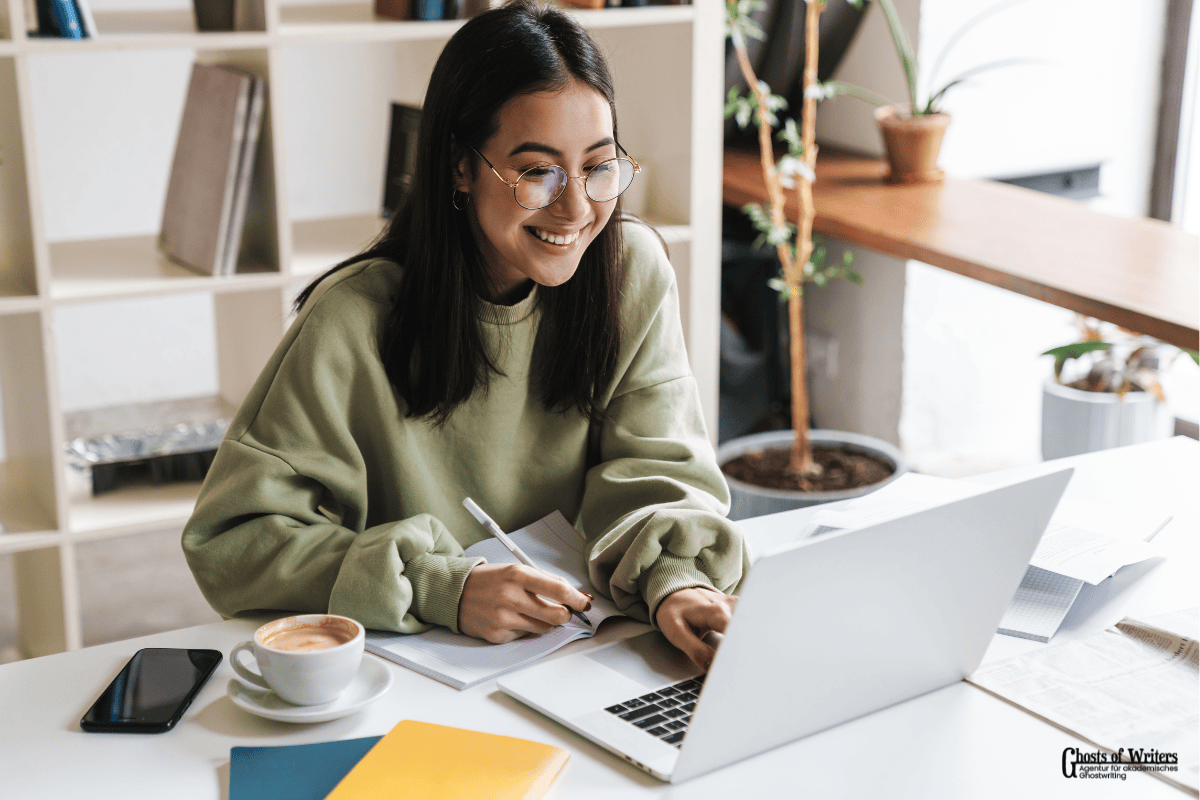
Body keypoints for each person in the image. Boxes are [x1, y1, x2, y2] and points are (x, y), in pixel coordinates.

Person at [182, 0, 746, 670]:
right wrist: (442, 586)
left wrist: (677, 580)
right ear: (459, 166)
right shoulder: (351, 319)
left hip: (589, 657)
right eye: (538, 172)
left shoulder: (633, 274)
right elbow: (233, 541)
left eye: (599, 166)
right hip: (412, 676)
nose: (577, 208)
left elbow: (657, 474)